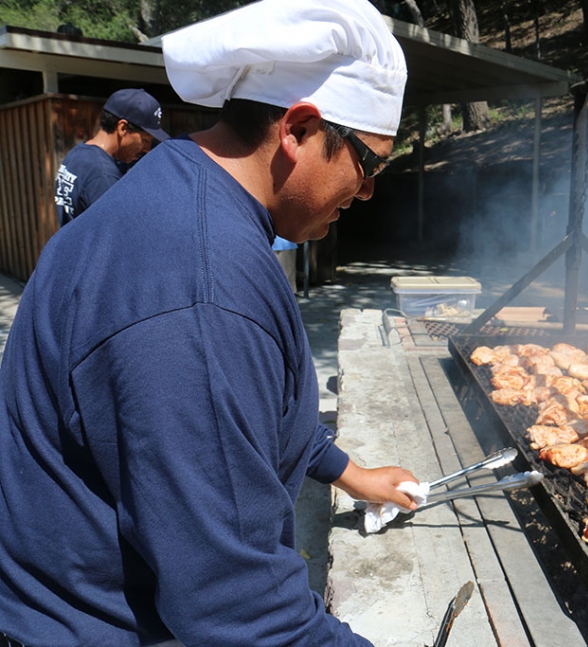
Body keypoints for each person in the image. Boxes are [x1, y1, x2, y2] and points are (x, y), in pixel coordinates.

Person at [0, 0, 417, 644]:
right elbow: (236, 602)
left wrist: (351, 474)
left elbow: (243, 414)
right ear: (298, 129)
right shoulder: (198, 290)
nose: (366, 194)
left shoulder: (177, 186)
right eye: (369, 165)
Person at [54, 88, 171, 225]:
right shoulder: (103, 176)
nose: (147, 149)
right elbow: (116, 234)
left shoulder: (78, 154)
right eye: (145, 140)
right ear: (123, 128)